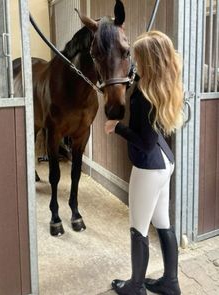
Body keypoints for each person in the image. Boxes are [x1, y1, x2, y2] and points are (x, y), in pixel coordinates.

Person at [105, 30, 184, 295]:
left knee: (138, 228)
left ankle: (135, 287)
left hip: (149, 168)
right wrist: (131, 80)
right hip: (165, 163)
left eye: (137, 58)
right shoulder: (160, 84)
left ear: (148, 62)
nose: (134, 62)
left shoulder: (143, 97)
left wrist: (117, 127)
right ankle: (170, 283)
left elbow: (145, 141)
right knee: (162, 222)